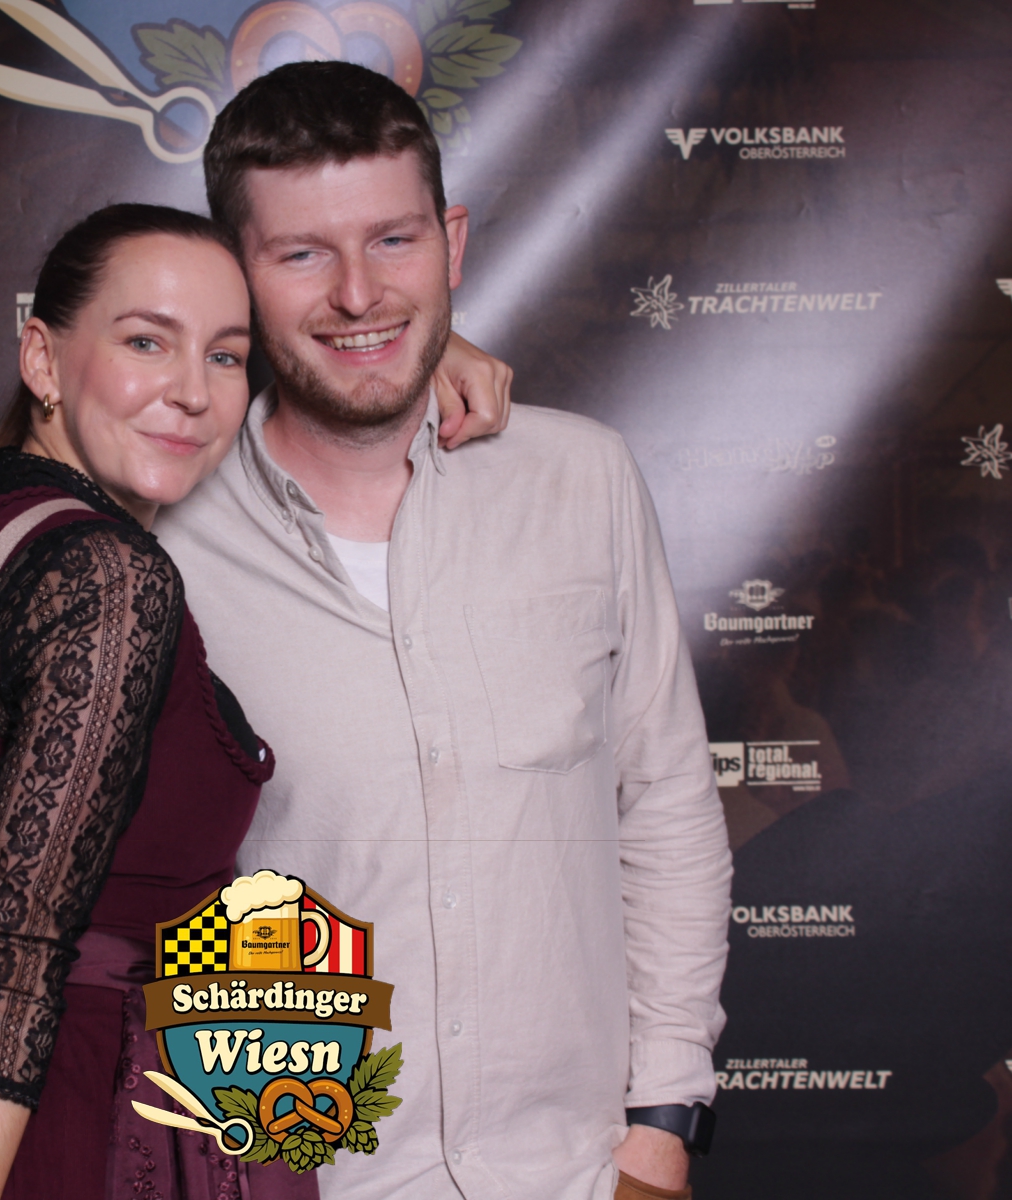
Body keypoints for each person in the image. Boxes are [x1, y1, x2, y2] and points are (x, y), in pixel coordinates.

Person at [153, 63, 733, 1200]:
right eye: (302, 254)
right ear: (235, 276)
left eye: (394, 241)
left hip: (575, 1173)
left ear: (452, 244)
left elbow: (665, 808)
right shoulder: (156, 539)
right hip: (297, 1175)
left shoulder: (583, 479)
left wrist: (663, 1126)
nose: (358, 292)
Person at [0, 204, 509, 1200]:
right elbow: (9, 955)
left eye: (225, 356)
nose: (194, 392)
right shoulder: (109, 577)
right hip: (103, 1126)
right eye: (145, 342)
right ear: (41, 358)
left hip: (42, 1103)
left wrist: (417, 356)